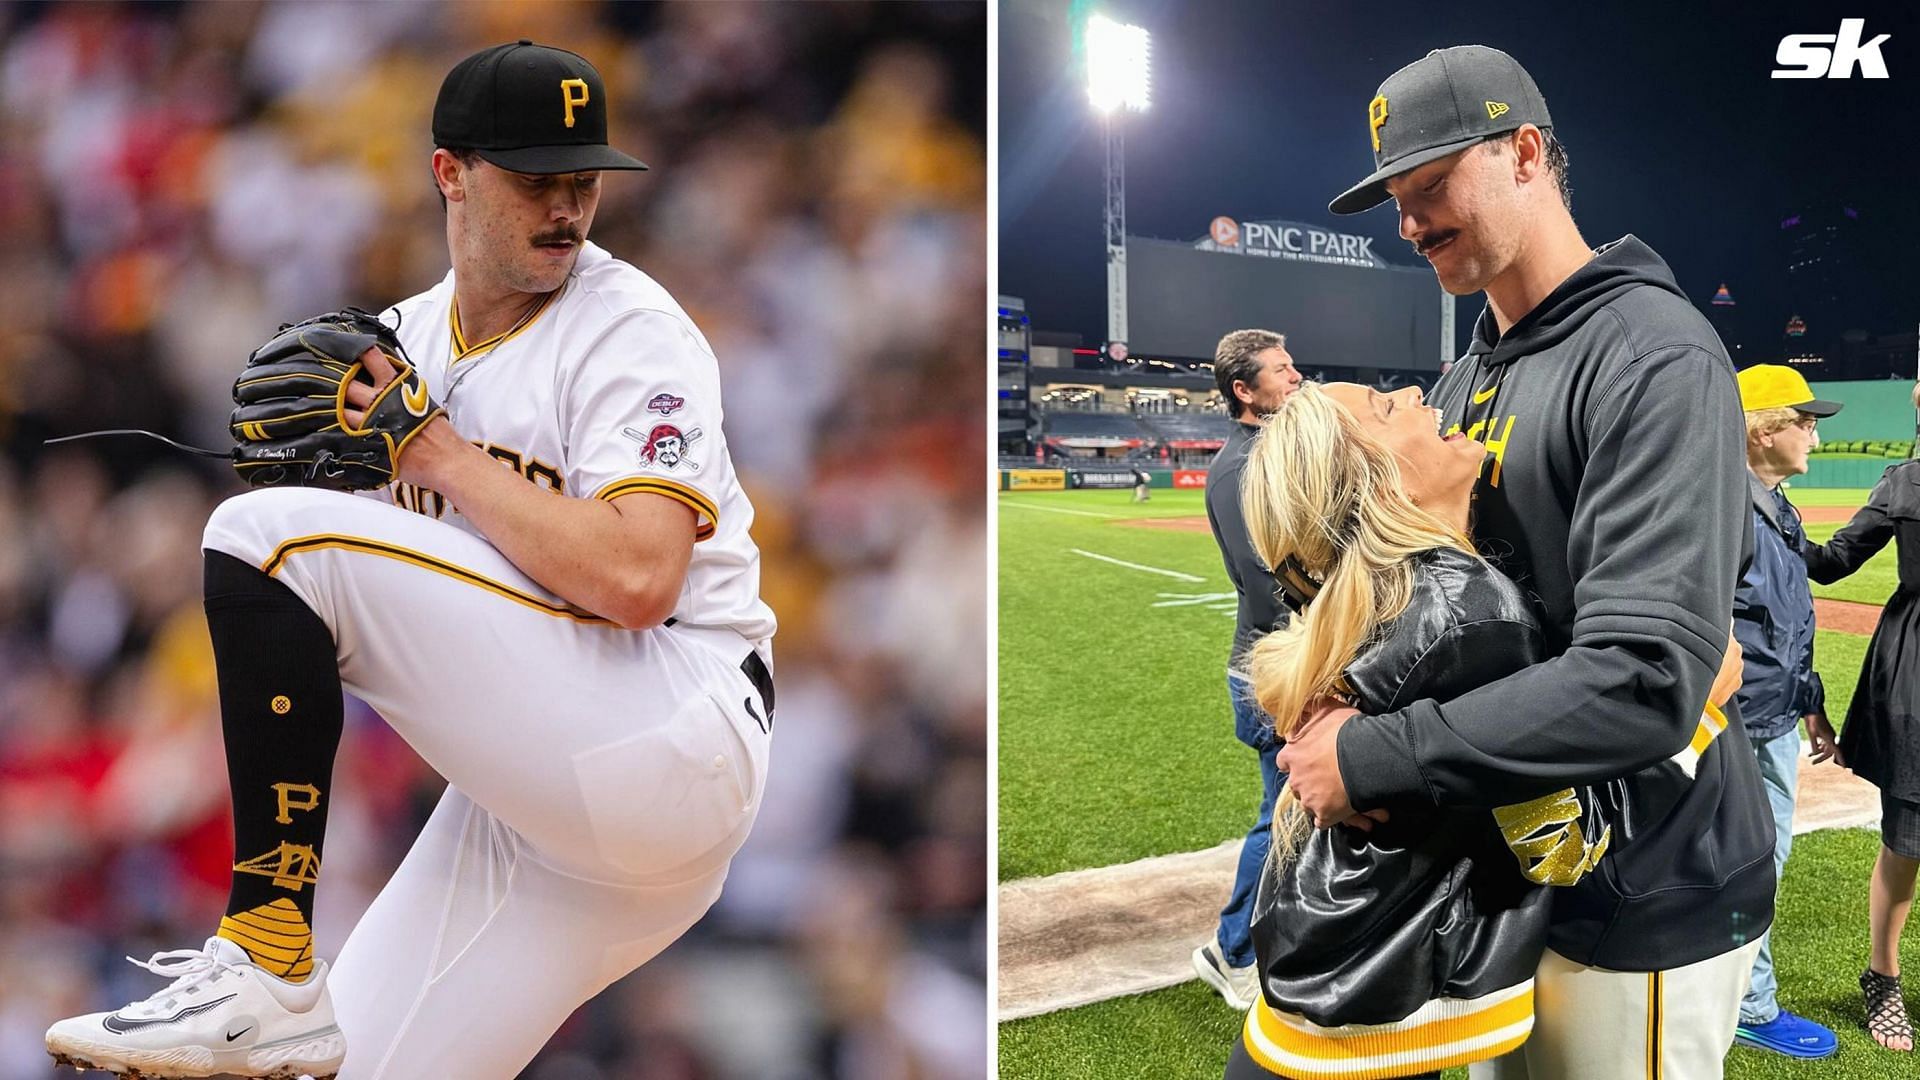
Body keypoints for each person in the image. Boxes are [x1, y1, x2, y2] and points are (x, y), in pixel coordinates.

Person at [46, 40, 776, 1079]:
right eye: (535, 180)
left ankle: (264, 954)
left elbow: (637, 581)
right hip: (543, 811)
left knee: (265, 540)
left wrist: (438, 455)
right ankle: (277, 995)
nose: (567, 207)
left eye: (583, 181)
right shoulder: (398, 343)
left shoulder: (633, 333)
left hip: (674, 728)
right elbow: (309, 614)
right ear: (450, 174)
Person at [1280, 45, 1773, 1076]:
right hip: (1508, 883)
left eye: (1431, 186)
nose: (1410, 223)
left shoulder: (1650, 352)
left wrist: (1377, 754)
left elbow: (1645, 681)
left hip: (1636, 895)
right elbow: (1450, 609)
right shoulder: (1467, 375)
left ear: (1525, 153)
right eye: (1396, 202)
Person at [1222, 382, 1744, 1080]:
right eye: (1384, 408)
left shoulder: (1385, 594)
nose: (1414, 391)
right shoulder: (1467, 611)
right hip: (1359, 1014)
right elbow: (1559, 847)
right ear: (1377, 477)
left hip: (1321, 981)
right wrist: (1694, 708)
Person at [1801, 381, 1920, 1054]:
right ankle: (1882, 976)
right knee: (1909, 833)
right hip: (1916, 668)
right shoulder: (1905, 483)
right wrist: (1767, 523)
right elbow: (1836, 561)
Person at [1728, 365, 1842, 1058]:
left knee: (1755, 859)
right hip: (1734, 729)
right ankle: (1749, 1004)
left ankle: (1732, 991)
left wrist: (1812, 707)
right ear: (1765, 429)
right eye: (1805, 421)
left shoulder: (1775, 504)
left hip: (1773, 718)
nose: (1816, 437)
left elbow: (1789, 623)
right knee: (1755, 862)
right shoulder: (1726, 508)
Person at [1192, 329, 1302, 1010]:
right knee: (1283, 815)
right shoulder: (1240, 467)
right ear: (1244, 388)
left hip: (1288, 659)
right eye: (1281, 370)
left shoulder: (1271, 452)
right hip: (1275, 665)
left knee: (1297, 813)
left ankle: (1267, 938)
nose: (1295, 377)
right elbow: (1268, 584)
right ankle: (1231, 951)